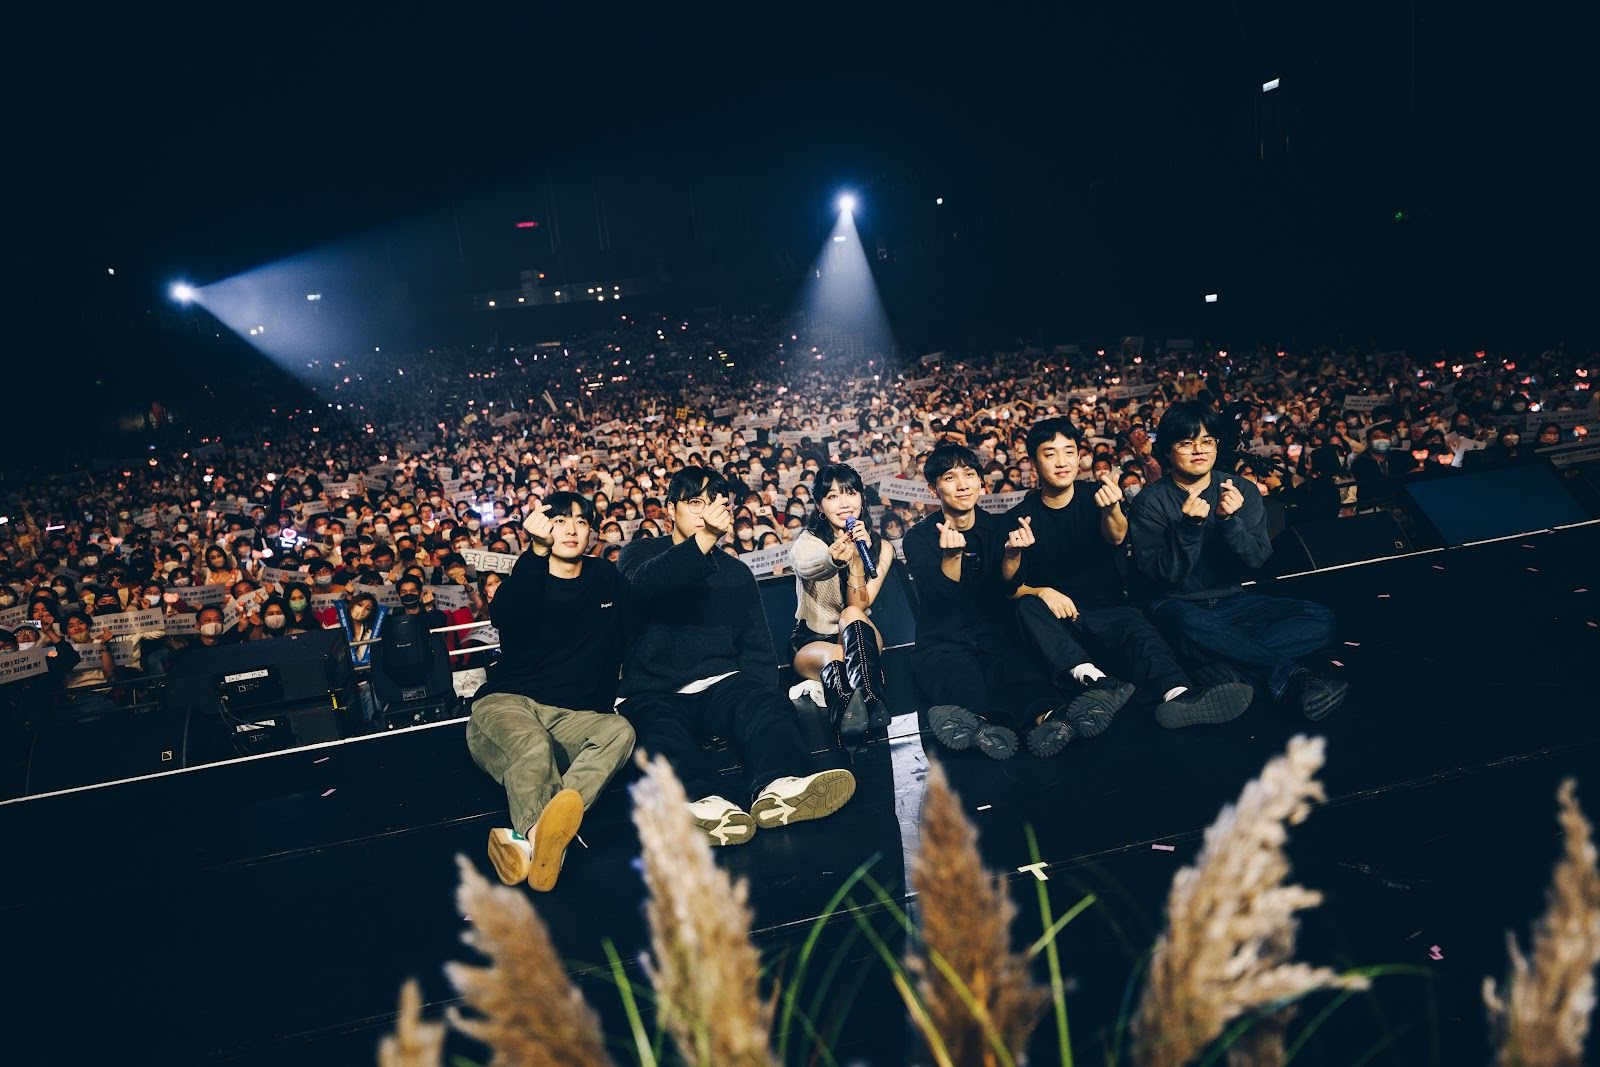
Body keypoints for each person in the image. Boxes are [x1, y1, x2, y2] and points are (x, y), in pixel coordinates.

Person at [617, 466, 855, 847]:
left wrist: (761, 697)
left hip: (721, 683)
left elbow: (756, 649)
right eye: (696, 503)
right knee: (658, 735)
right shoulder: (640, 553)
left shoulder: (736, 572)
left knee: (765, 704)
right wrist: (704, 540)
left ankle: (780, 787)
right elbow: (644, 587)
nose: (707, 511)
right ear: (670, 510)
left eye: (715, 503)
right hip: (653, 691)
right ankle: (702, 805)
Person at [1008, 418, 1254, 746]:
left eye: (1069, 451)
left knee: (1142, 637)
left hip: (1109, 611)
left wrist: (1111, 508)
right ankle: (1098, 684)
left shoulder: (1098, 495)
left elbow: (1116, 536)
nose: (1062, 461)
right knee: (1026, 605)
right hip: (1060, 623)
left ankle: (1179, 695)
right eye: (1050, 454)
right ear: (1033, 461)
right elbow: (1009, 586)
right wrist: (1042, 591)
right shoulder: (1021, 515)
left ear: (1079, 456)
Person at [1128, 402, 1347, 720]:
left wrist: (1230, 522)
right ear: (1167, 450)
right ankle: (1294, 680)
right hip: (1177, 604)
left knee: (1320, 619)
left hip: (1234, 602)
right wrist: (1190, 528)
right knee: (1188, 625)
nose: (1199, 450)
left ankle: (1220, 665)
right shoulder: (1150, 502)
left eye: (1207, 441)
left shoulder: (1240, 489)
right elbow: (1163, 576)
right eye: (1187, 442)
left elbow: (1257, 560)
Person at [467, 492, 635, 892]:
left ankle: (530, 840)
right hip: (507, 704)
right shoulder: (528, 577)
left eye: (581, 521)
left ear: (591, 532)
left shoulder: (605, 577)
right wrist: (535, 552)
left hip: (572, 716)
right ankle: (541, 835)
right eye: (560, 520)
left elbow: (628, 637)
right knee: (533, 745)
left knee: (619, 731)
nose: (572, 529)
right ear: (543, 528)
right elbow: (505, 614)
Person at [902, 444, 1063, 760]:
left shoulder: (999, 526)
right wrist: (952, 556)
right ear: (933, 488)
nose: (963, 485)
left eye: (969, 475)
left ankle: (1053, 721)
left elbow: (1009, 586)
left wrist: (1013, 555)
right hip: (943, 642)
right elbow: (941, 595)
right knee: (959, 682)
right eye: (950, 477)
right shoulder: (918, 537)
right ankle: (983, 729)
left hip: (995, 637)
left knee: (1024, 678)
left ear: (980, 481)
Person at [787, 464, 895, 753]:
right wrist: (832, 560)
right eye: (833, 496)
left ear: (862, 498)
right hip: (813, 641)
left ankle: (860, 709)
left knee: (852, 613)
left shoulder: (882, 548)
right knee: (836, 656)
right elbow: (807, 566)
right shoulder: (807, 543)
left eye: (850, 493)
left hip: (858, 634)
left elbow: (858, 604)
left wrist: (858, 558)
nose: (844, 503)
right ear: (820, 506)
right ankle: (866, 708)